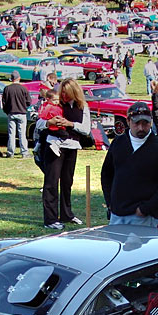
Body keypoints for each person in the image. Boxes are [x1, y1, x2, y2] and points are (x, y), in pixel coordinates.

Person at [100, 102, 158, 226]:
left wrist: (145, 209)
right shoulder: (118, 143)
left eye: (145, 123)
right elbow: (107, 174)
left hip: (143, 218)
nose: (141, 128)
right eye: (137, 123)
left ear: (150, 122)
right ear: (128, 121)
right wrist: (110, 202)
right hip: (117, 215)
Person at [42, 78, 91, 229]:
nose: (63, 96)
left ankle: (66, 214)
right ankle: (50, 220)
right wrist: (48, 123)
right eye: (62, 92)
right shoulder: (54, 104)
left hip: (72, 145)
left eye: (66, 93)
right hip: (54, 145)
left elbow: (86, 129)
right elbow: (38, 122)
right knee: (51, 182)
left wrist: (70, 124)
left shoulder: (82, 106)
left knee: (67, 182)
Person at [1, 71, 30, 158]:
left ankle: (10, 152)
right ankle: (24, 152)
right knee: (22, 134)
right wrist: (24, 107)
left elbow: (4, 103)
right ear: (19, 78)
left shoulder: (7, 89)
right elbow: (28, 102)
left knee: (11, 134)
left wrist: (7, 111)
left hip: (11, 113)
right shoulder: (23, 89)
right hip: (22, 113)